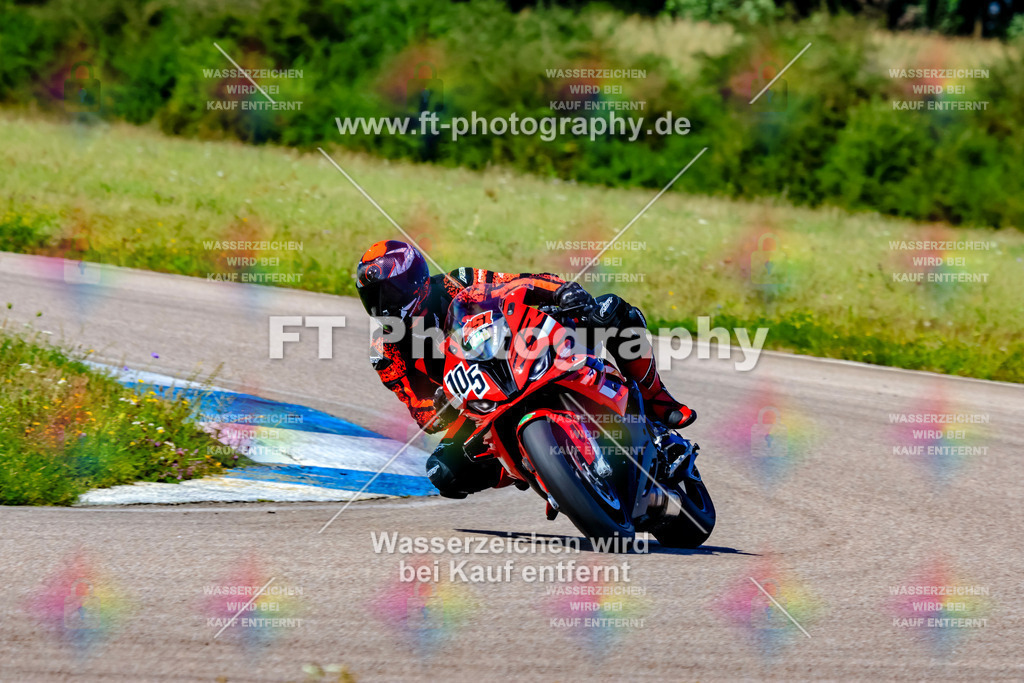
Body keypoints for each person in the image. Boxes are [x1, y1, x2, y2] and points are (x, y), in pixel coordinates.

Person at [356, 239, 695, 498]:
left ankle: (656, 400)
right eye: (375, 299)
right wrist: (438, 408)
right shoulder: (385, 352)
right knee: (443, 472)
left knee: (611, 310)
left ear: (418, 281)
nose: (385, 306)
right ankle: (532, 466)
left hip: (523, 348)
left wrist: (562, 292)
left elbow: (519, 283)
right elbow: (420, 412)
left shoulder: (455, 282)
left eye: (391, 293)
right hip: (475, 406)